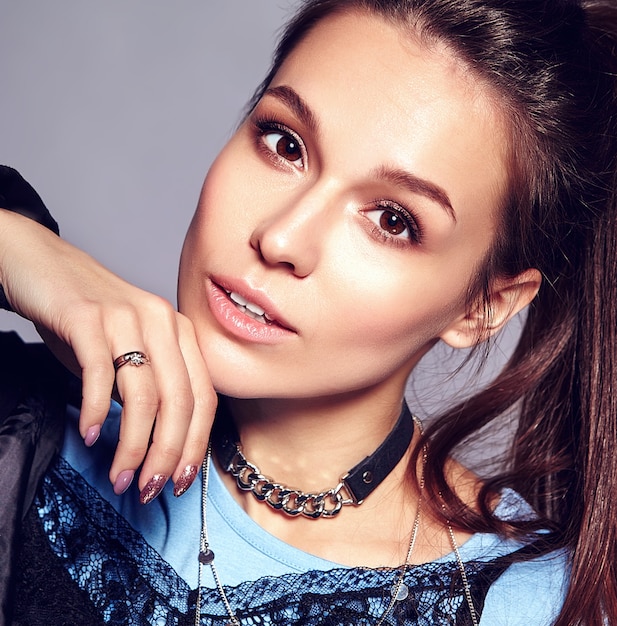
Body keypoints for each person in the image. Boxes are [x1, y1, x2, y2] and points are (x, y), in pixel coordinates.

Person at [1, 0, 616, 623]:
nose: (281, 239)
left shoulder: (531, 599)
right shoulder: (29, 424)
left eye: (392, 221)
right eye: (285, 144)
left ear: (484, 307)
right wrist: (20, 248)